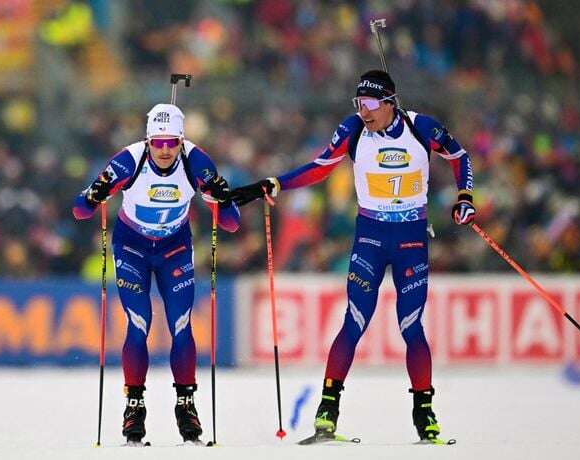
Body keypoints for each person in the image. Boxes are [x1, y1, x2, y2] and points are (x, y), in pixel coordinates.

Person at [230, 70, 475, 443]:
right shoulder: (354, 130)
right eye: (359, 103)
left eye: (371, 104)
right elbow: (320, 167)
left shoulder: (421, 127)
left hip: (410, 238)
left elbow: (459, 156)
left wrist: (465, 197)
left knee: (411, 325)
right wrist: (276, 183)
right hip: (371, 237)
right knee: (355, 320)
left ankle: (424, 414)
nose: (364, 111)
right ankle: (327, 413)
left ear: (390, 102)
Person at [73, 103, 240, 445]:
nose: (165, 150)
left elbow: (232, 222)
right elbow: (79, 210)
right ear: (148, 140)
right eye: (158, 142)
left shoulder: (197, 163)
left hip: (174, 248)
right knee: (138, 324)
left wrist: (223, 200)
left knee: (181, 325)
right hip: (131, 245)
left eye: (172, 143)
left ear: (182, 140)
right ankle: (134, 406)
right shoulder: (128, 161)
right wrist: (93, 195)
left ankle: (186, 404)